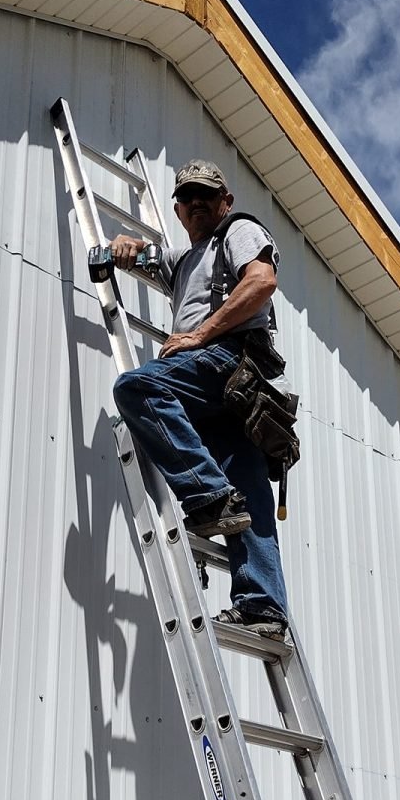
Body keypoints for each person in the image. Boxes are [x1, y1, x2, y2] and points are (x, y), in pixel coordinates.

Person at [110, 159, 290, 641]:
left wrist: (200, 334)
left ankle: (209, 498)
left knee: (136, 387)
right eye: (187, 198)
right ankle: (263, 608)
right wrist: (121, 247)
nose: (197, 204)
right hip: (223, 392)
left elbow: (262, 282)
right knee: (249, 494)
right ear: (177, 208)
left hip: (227, 362)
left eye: (206, 196)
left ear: (224, 202)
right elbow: (142, 257)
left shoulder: (239, 231)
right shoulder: (184, 261)